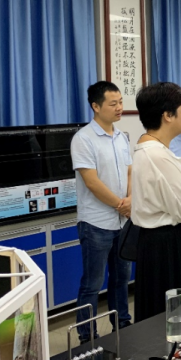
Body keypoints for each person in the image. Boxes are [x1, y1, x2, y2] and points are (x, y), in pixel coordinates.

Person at [131, 82, 181, 322]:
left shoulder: (154, 150)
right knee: (174, 319)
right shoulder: (157, 156)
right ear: (167, 115)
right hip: (170, 247)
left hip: (167, 241)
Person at [70, 81, 133, 343]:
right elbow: (92, 182)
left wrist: (130, 199)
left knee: (121, 279)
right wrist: (121, 203)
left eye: (121, 102)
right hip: (96, 223)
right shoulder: (83, 139)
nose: (119, 108)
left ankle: (123, 324)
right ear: (96, 106)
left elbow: (129, 171)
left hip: (122, 222)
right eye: (113, 103)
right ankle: (88, 336)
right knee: (92, 284)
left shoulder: (122, 137)